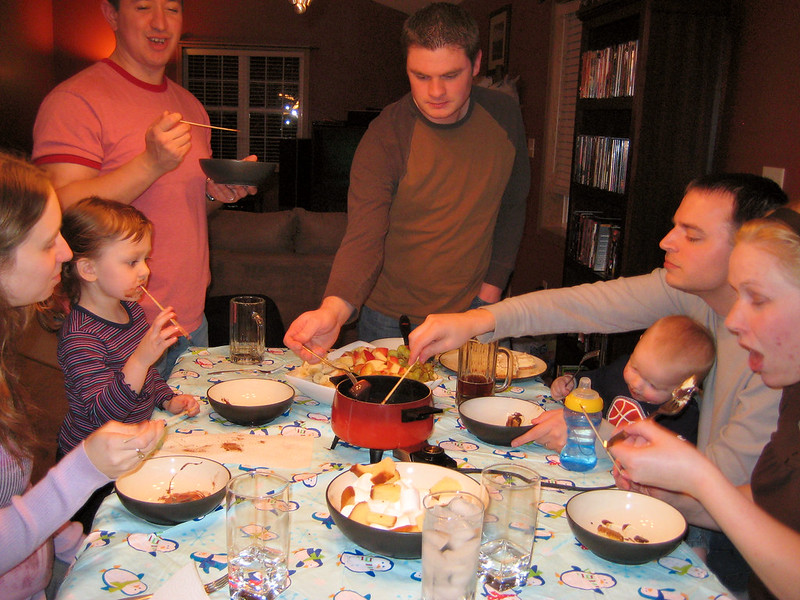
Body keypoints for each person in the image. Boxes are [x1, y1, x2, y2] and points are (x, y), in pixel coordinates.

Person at [409, 173, 788, 592]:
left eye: (693, 236)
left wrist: (591, 432)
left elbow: (722, 491)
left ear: (746, 250)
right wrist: (477, 321)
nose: (667, 241)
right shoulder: (697, 295)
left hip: (726, 561)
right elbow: (586, 304)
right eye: (676, 225)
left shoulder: (777, 358)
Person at [284, 2, 530, 356]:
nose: (435, 92)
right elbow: (364, 236)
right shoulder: (386, 135)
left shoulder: (505, 116)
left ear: (475, 65)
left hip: (475, 311)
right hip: (391, 317)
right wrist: (333, 310)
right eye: (421, 76)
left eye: (450, 75)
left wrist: (491, 291)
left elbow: (512, 205)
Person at [31, 0, 256, 378]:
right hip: (113, 332)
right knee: (121, 436)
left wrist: (215, 195)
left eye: (171, 9)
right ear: (111, 15)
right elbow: (61, 211)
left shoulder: (190, 107)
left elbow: (181, 209)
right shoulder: (74, 101)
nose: (160, 22)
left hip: (188, 319)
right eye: (142, 7)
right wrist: (150, 164)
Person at [611, 206, 800, 600]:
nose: (732, 320)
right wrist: (674, 496)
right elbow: (766, 506)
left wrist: (700, 477)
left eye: (758, 299)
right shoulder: (793, 394)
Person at [0, 152, 163, 600]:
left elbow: (13, 498)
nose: (67, 253)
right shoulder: (79, 333)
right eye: (48, 240)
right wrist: (83, 470)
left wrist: (69, 538)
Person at [56, 197, 200, 456]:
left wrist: (166, 398)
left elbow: (148, 377)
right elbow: (105, 416)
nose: (145, 271)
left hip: (133, 444)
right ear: (89, 269)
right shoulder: (79, 337)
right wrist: (140, 360)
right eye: (132, 262)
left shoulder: (130, 308)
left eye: (146, 260)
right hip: (93, 462)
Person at [549, 315, 715, 444]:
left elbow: (678, 462)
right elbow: (593, 380)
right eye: (635, 368)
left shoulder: (681, 416)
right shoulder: (619, 370)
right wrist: (570, 382)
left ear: (682, 390)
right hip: (593, 451)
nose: (636, 384)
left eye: (653, 385)